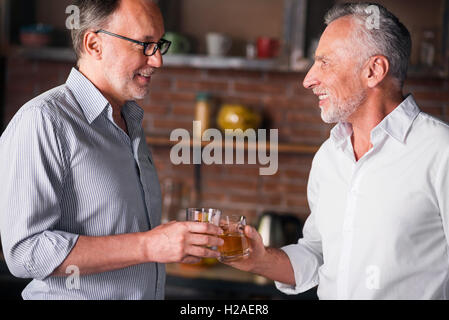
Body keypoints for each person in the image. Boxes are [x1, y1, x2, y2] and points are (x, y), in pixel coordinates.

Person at [0, 0, 223, 300]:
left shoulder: (129, 120)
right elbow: (25, 252)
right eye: (145, 44)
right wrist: (149, 245)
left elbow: (124, 236)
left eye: (159, 45)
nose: (158, 60)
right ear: (94, 44)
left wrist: (172, 243)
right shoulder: (44, 120)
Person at [225, 2, 449, 299]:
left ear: (374, 70)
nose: (308, 79)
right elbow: (318, 256)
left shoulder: (439, 151)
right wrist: (260, 259)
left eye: (325, 63)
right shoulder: (329, 157)